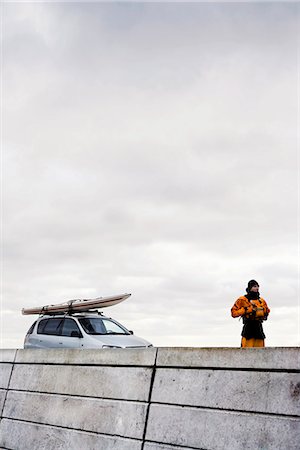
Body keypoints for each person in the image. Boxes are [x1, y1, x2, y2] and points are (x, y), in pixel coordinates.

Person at [231, 280, 270, 348]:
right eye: (254, 286)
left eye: (258, 286)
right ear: (250, 287)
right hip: (248, 328)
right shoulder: (242, 299)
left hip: (258, 328)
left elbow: (267, 311)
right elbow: (233, 313)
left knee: (260, 350)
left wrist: (263, 312)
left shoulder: (261, 301)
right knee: (246, 349)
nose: (257, 288)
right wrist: (246, 310)